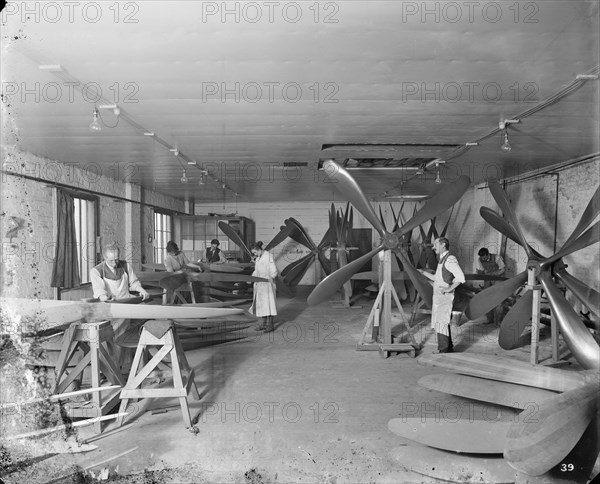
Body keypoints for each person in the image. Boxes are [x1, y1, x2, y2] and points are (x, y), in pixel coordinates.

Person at [419, 237, 465, 353]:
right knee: (442, 322)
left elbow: (460, 277)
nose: (433, 247)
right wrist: (422, 273)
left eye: (435, 244)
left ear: (443, 244)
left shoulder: (450, 259)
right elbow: (436, 278)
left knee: (441, 323)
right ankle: (449, 348)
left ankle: (443, 350)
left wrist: (449, 288)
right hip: (439, 297)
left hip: (445, 297)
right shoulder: (442, 259)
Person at [250, 241, 278, 332]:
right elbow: (256, 271)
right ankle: (263, 324)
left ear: (259, 250)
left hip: (267, 284)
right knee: (262, 305)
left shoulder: (268, 256)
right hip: (259, 284)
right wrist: (251, 278)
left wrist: (271, 277)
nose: (254, 254)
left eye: (255, 252)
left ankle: (270, 326)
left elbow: (274, 270)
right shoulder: (258, 259)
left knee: (269, 304)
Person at [476, 247, 506, 323]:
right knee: (486, 299)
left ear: (487, 254)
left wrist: (493, 274)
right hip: (487, 279)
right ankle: (489, 319)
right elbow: (483, 270)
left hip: (498, 279)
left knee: (498, 300)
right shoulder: (480, 259)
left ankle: (498, 321)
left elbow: (503, 269)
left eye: (484, 257)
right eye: (481, 257)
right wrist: (480, 273)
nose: (483, 259)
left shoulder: (497, 257)